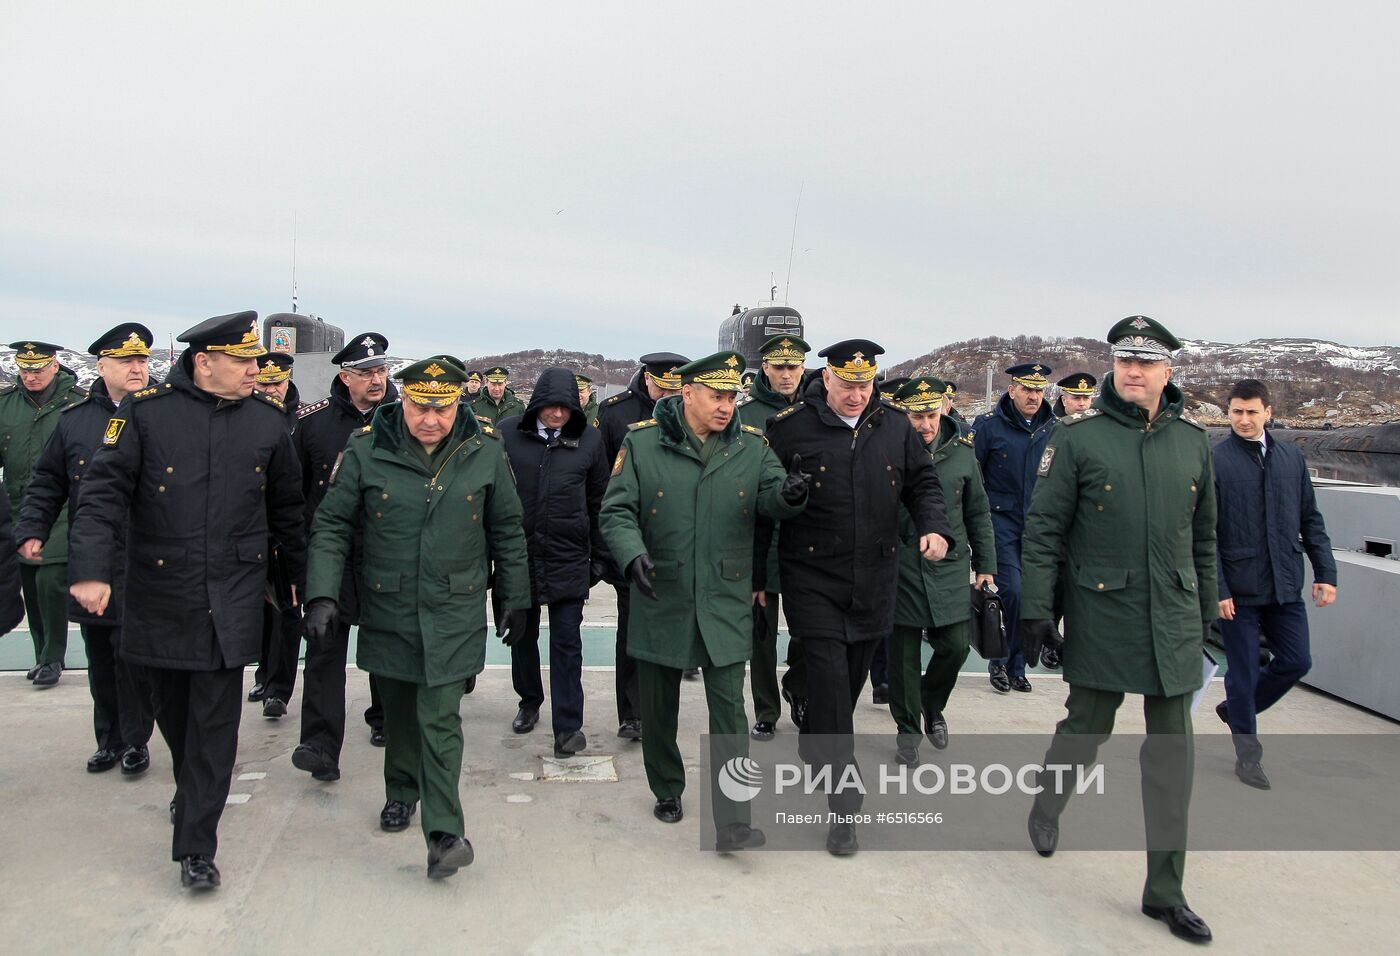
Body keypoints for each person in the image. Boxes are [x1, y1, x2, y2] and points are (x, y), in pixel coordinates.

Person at [68, 311, 306, 892]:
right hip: (160, 597)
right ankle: (191, 788)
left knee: (216, 727)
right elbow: (100, 497)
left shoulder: (267, 425)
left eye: (255, 360)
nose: (257, 370)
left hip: (233, 596)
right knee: (174, 717)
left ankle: (198, 845)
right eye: (243, 360)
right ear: (204, 362)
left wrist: (302, 581)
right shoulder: (144, 416)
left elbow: (289, 515)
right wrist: (92, 571)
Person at [1020, 315, 1217, 944]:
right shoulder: (1078, 438)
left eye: (1147, 362)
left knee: (1171, 754)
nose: (1133, 371)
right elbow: (1044, 531)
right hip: (1103, 613)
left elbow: (1205, 538)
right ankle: (1048, 804)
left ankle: (1165, 892)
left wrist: (1209, 617)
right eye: (1124, 361)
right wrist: (1037, 613)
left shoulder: (1192, 440)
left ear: (1168, 370)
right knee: (1086, 730)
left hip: (1176, 619)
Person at [304, 358, 530, 878]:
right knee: (400, 709)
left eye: (442, 408)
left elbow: (509, 531)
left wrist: (514, 598)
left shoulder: (484, 451)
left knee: (440, 716)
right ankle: (401, 790)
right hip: (390, 606)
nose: (431, 419)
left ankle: (445, 832)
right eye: (420, 407)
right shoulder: (366, 448)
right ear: (402, 401)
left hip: (455, 607)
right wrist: (321, 595)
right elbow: (333, 526)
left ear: (459, 402)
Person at [600, 351, 807, 849]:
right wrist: (632, 556)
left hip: (724, 595)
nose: (727, 406)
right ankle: (666, 786)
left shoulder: (751, 447)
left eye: (733, 396)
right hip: (662, 589)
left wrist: (792, 495)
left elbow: (772, 495)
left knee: (729, 711)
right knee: (659, 704)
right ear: (686, 393)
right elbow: (616, 511)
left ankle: (734, 818)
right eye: (716, 396)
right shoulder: (643, 442)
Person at [763, 339, 954, 856]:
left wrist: (935, 528)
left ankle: (818, 740)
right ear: (826, 379)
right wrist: (759, 575)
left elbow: (924, 484)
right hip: (812, 577)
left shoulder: (893, 427)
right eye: (846, 384)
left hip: (874, 578)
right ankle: (844, 802)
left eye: (865, 384)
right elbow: (763, 501)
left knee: (844, 687)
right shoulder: (789, 428)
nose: (855, 394)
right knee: (827, 679)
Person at [15, 324, 156, 773]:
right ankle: (109, 738)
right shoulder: (74, 421)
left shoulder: (161, 414)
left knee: (133, 656)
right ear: (101, 367)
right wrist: (31, 528)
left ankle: (137, 740)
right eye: (125, 361)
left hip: (146, 557)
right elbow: (47, 482)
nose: (137, 369)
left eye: (142, 361)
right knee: (101, 656)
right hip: (94, 556)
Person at [1214, 378, 1337, 790]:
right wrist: (1219, 588)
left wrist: (1325, 573)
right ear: (1228, 413)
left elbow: (1310, 520)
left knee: (1297, 661)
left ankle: (1236, 710)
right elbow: (1205, 533)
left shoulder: (1291, 459)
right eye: (1236, 412)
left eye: (1251, 412)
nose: (1244, 420)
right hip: (1239, 589)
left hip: (1284, 582)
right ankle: (1248, 755)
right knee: (1245, 672)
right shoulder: (1217, 461)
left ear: (1268, 412)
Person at [290, 333, 398, 778]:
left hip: (384, 555)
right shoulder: (312, 424)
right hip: (330, 556)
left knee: (388, 649)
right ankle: (319, 746)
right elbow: (291, 497)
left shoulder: (403, 420)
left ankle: (385, 720)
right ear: (344, 376)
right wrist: (299, 565)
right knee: (323, 651)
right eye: (366, 372)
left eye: (381, 371)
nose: (377, 380)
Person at [497, 367, 609, 755]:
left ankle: (568, 726)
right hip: (519, 557)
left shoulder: (590, 440)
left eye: (565, 407)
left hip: (568, 557)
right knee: (520, 637)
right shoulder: (509, 434)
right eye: (550, 406)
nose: (557, 414)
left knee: (567, 643)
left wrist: (600, 556)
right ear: (537, 404)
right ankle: (529, 701)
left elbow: (600, 503)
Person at [884, 376, 996, 764]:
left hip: (948, 567)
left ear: (945, 409)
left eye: (931, 415)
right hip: (900, 565)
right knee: (902, 655)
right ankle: (907, 732)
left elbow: (978, 512)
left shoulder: (962, 451)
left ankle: (932, 704)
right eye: (916, 416)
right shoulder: (887, 449)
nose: (925, 425)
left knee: (955, 647)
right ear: (903, 414)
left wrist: (986, 567)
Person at [595, 351, 688, 740]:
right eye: (661, 385)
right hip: (632, 538)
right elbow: (601, 479)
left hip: (678, 537)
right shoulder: (615, 413)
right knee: (632, 627)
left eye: (674, 387)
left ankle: (664, 707)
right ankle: (631, 713)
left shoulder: (691, 412)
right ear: (646, 378)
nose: (667, 393)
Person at [1, 340, 86, 686]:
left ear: (54, 366)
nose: (31, 375)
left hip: (64, 505)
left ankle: (53, 657)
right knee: (30, 584)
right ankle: (41, 655)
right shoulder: (6, 405)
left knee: (50, 579)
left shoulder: (76, 403)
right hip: (19, 504)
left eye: (38, 368)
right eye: (25, 369)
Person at [738, 335, 810, 740]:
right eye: (779, 367)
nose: (786, 374)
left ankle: (798, 688)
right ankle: (766, 707)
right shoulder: (746, 415)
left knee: (807, 627)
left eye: (793, 367)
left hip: (804, 537)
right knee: (760, 632)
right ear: (765, 367)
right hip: (759, 534)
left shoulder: (814, 410)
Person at [972, 362, 1055, 694]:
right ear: (1013, 390)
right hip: (1000, 521)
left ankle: (1017, 667)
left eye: (1039, 390)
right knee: (1014, 592)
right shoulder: (989, 428)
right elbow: (974, 475)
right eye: (1027, 390)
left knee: (1031, 597)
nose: (1034, 396)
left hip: (1038, 525)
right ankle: (1001, 661)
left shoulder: (1053, 429)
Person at [250, 352, 302, 720]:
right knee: (259, 612)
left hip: (288, 529)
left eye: (277, 383)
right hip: (252, 529)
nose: (271, 390)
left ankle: (278, 689)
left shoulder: (302, 423)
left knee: (287, 611)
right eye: (264, 383)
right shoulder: (244, 419)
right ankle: (262, 672)